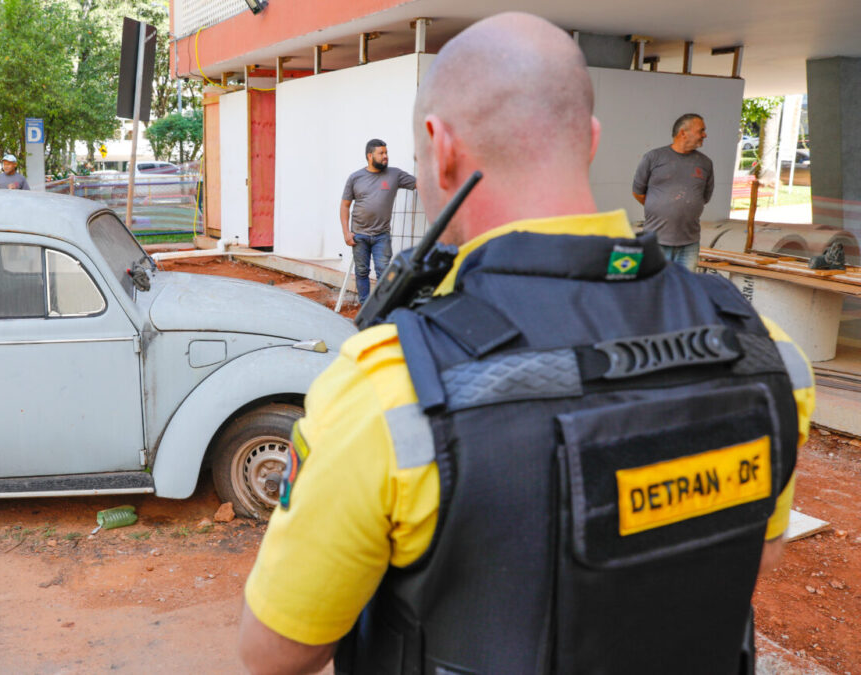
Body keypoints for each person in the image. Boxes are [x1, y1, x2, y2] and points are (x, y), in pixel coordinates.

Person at [240, 12, 813, 675]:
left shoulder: (390, 387)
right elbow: (756, 552)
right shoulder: (764, 348)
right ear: (591, 141)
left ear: (441, 145)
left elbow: (274, 651)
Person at [632, 114, 714, 271]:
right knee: (655, 288)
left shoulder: (705, 163)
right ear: (683, 133)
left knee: (683, 289)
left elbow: (704, 197)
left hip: (689, 244)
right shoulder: (653, 158)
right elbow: (638, 192)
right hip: (656, 241)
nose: (705, 135)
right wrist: (657, 206)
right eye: (701, 130)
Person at [340, 140, 417, 304]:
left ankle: (381, 307)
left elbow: (420, 183)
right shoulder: (355, 178)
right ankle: (365, 306)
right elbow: (345, 206)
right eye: (381, 153)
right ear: (370, 156)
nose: (385, 156)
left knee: (383, 272)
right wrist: (346, 233)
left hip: (382, 235)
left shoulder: (395, 175)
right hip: (358, 235)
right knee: (361, 271)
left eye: (386, 153)